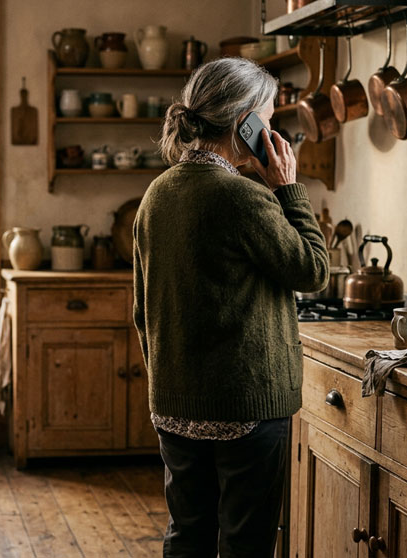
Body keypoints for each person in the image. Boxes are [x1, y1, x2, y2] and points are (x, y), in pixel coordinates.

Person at [132, 57, 329, 558]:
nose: (271, 127)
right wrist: (287, 186)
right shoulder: (243, 197)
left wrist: (168, 381)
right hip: (244, 408)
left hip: (175, 403)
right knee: (247, 542)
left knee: (188, 535)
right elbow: (313, 270)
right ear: (244, 120)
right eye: (267, 113)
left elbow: (141, 309)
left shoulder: (157, 194)